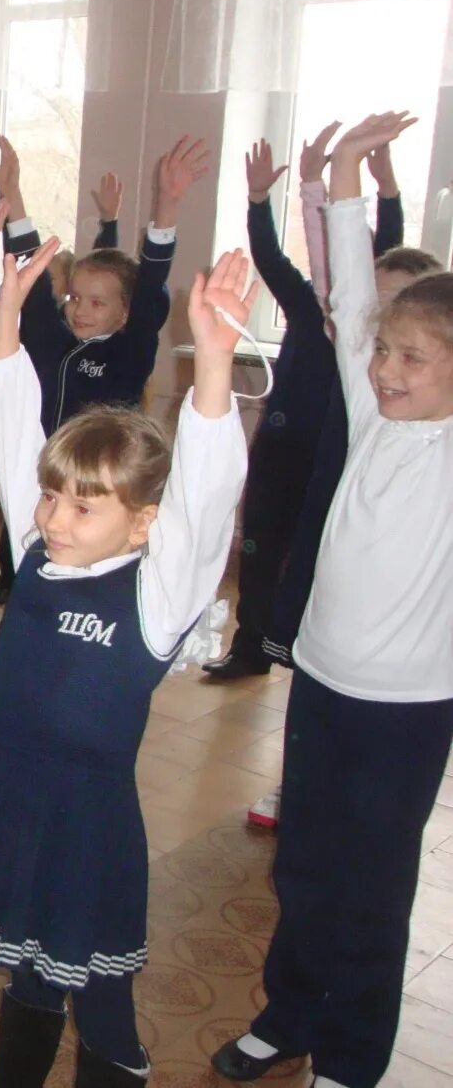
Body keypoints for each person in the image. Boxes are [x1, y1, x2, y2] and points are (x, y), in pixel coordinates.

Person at [0, 236, 255, 1087]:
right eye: (51, 495)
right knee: (28, 973)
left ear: (141, 523)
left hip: (82, 828)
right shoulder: (38, 552)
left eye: (83, 506)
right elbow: (9, 420)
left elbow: (204, 501)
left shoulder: (155, 594)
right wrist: (2, 325)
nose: (55, 517)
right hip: (5, 798)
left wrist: (213, 364)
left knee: (98, 994)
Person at [212, 112, 453, 1088]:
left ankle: (350, 1057)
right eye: (383, 350)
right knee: (304, 865)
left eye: (412, 358)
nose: (385, 370)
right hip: (321, 678)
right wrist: (344, 175)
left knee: (371, 889)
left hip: (407, 709)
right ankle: (289, 1013)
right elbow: (352, 292)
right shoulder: (368, 402)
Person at [206, 130, 410, 683]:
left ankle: (300, 644)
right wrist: (257, 200)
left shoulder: (370, 328)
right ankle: (250, 647)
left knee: (320, 553)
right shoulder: (302, 301)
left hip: (335, 455)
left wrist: (386, 188)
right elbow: (268, 256)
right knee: (261, 548)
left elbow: (390, 247)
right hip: (280, 448)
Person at [0, 136, 204, 606]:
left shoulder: (128, 352)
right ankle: (21, 584)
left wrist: (167, 206)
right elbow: (31, 272)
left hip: (99, 490)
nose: (81, 310)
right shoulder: (54, 340)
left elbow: (149, 288)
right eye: (75, 298)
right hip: (49, 477)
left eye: (98, 303)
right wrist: (13, 196)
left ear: (124, 313)